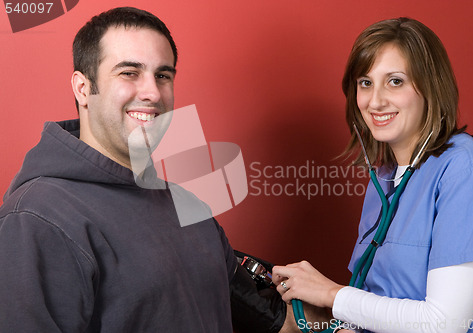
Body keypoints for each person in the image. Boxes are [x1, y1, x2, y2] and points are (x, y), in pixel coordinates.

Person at [0, 7, 292, 332]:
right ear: (83, 89)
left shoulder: (187, 205)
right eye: (129, 72)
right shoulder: (36, 218)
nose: (153, 93)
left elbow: (273, 324)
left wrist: (338, 303)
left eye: (163, 76)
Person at [272, 17, 473, 333]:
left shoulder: (467, 168)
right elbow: (381, 305)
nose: (375, 101)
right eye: (365, 82)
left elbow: (445, 324)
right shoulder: (384, 177)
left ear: (430, 86)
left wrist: (330, 293)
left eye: (395, 81)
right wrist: (327, 319)